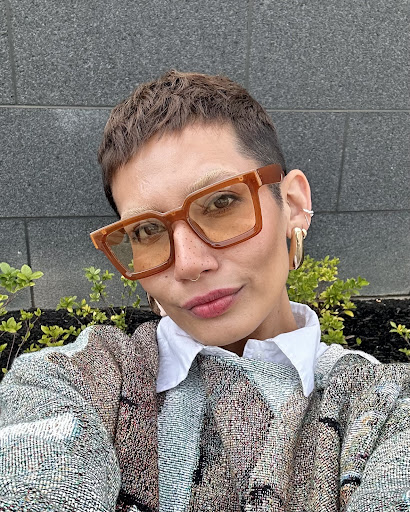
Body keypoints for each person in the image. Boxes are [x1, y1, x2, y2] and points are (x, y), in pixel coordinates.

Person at [0, 70, 409, 512]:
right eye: (146, 230)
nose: (189, 264)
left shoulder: (383, 406)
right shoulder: (70, 380)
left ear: (292, 205)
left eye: (221, 203)